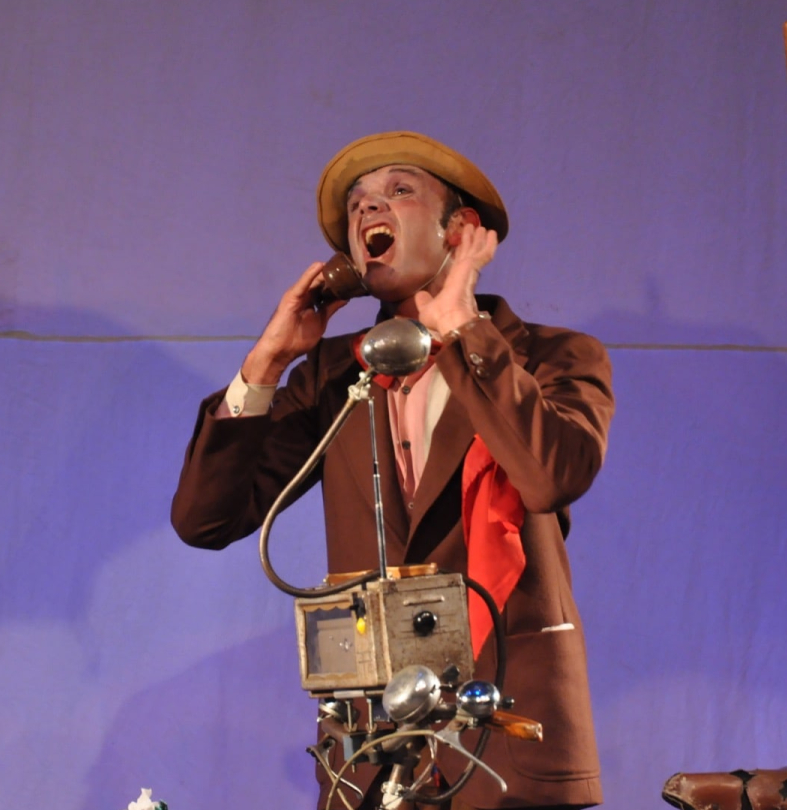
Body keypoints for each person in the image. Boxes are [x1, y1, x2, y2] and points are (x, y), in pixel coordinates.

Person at [171, 131, 615, 809]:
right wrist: (268, 361)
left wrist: (463, 326)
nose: (369, 211)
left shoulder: (551, 358)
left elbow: (551, 476)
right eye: (358, 206)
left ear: (461, 231)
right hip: (375, 753)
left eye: (399, 192)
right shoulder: (334, 374)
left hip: (508, 741)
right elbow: (205, 520)